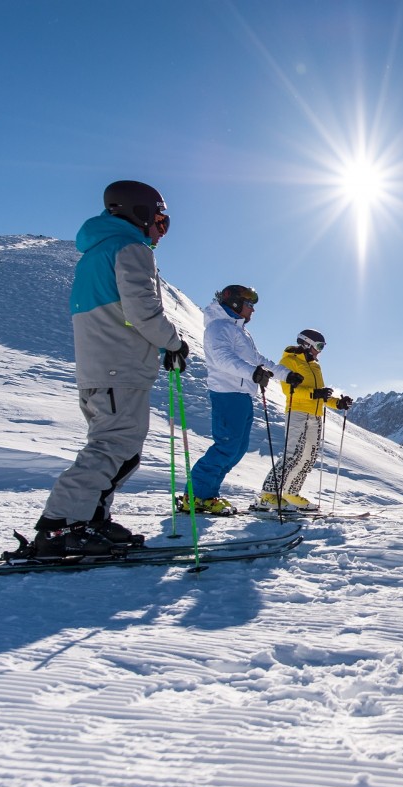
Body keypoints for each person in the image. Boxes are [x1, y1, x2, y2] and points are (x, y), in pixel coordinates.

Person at [29, 180, 188, 558]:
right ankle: (61, 527)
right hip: (120, 366)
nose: (161, 232)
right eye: (161, 222)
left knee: (119, 449)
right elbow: (142, 311)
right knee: (113, 447)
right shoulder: (130, 248)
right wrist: (173, 342)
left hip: (104, 368)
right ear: (142, 214)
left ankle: (89, 519)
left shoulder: (98, 251)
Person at [176, 285, 303, 515]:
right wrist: (253, 373)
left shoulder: (240, 331)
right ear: (235, 303)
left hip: (243, 394)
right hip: (226, 393)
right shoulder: (218, 328)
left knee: (237, 448)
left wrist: (285, 374)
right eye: (250, 305)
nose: (253, 310)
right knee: (226, 446)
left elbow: (258, 359)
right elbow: (223, 359)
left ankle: (207, 495)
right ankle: (194, 496)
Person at [251, 329, 352, 512]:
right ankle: (267, 495)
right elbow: (288, 390)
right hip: (297, 412)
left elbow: (320, 394)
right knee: (293, 454)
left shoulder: (315, 366)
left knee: (309, 457)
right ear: (307, 343)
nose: (320, 351)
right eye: (319, 346)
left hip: (316, 415)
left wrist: (338, 403)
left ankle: (291, 493)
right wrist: (315, 393)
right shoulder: (289, 362)